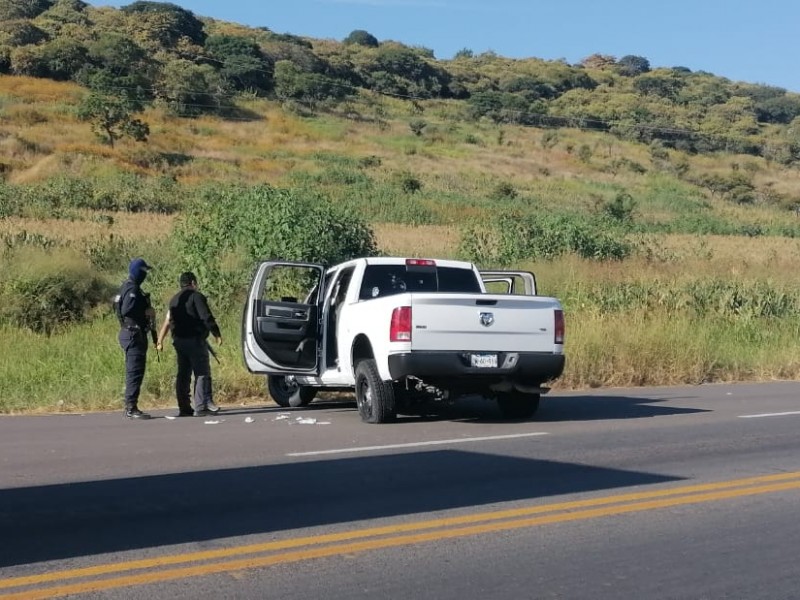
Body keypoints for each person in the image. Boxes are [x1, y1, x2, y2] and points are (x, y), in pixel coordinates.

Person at [156, 272, 222, 417]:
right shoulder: (196, 297)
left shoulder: (174, 300)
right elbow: (206, 317)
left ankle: (184, 407)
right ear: (193, 283)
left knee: (183, 374)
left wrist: (160, 340)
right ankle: (200, 406)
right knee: (202, 373)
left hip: (179, 342)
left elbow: (168, 322)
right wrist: (216, 333)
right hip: (195, 340)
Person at [115, 257, 156, 420]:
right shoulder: (132, 288)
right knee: (135, 371)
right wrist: (145, 312)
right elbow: (127, 310)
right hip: (133, 333)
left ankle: (131, 405)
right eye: (144, 271)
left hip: (130, 332)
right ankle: (131, 407)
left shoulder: (126, 286)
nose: (145, 274)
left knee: (135, 370)